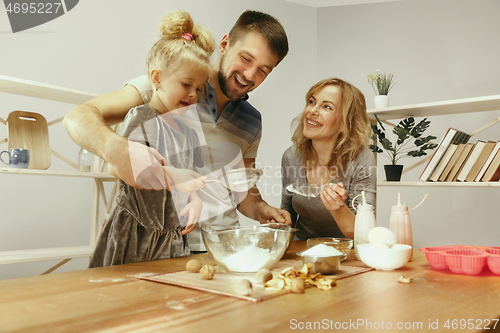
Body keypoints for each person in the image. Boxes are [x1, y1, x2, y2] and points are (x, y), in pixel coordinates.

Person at [64, 10, 292, 253]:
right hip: (160, 247)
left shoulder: (252, 121)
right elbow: (78, 116)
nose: (249, 75)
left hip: (224, 250)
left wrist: (262, 209)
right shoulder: (170, 86)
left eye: (263, 70)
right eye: (246, 59)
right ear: (225, 44)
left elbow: (242, 191)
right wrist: (116, 149)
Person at [88, 10, 214, 267]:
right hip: (135, 232)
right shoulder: (143, 118)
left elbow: (189, 177)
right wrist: (173, 176)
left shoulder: (188, 132)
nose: (193, 94)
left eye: (199, 89)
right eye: (186, 84)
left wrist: (196, 200)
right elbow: (121, 166)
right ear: (157, 78)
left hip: (170, 236)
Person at [281, 78, 376, 240]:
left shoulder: (361, 159)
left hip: (346, 253)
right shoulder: (291, 156)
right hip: (302, 252)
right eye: (312, 102)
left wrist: (338, 209)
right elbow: (287, 211)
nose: (312, 111)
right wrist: (278, 223)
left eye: (326, 107)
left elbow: (365, 233)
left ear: (345, 123)